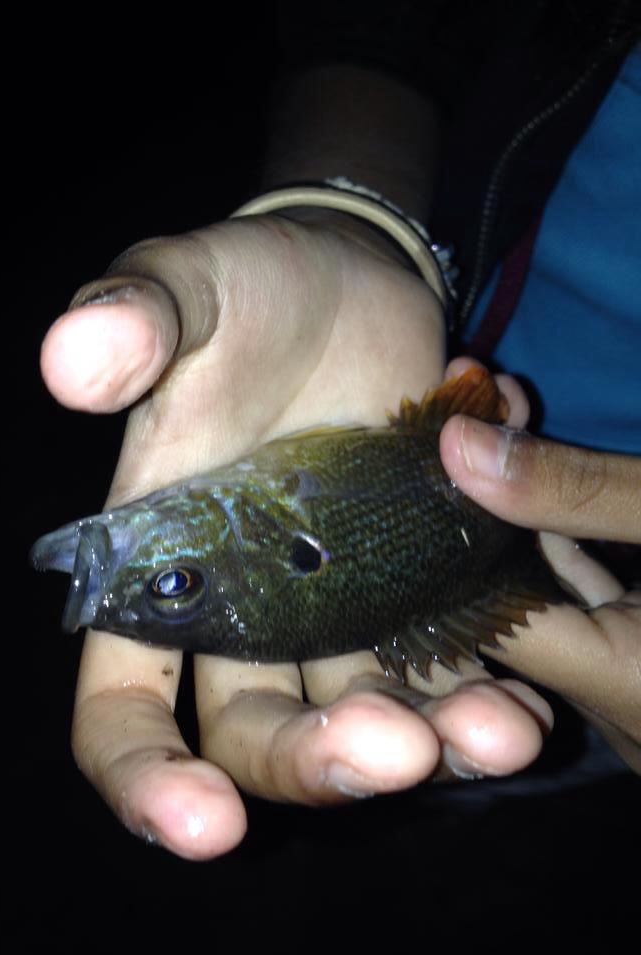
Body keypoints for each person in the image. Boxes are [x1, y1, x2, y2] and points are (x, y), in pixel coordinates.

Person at [38, 1, 640, 859]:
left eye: (176, 586)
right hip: (603, 633)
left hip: (556, 595)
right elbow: (389, 24)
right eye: (172, 586)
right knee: (477, 750)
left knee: (482, 744)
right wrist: (352, 224)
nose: (132, 573)